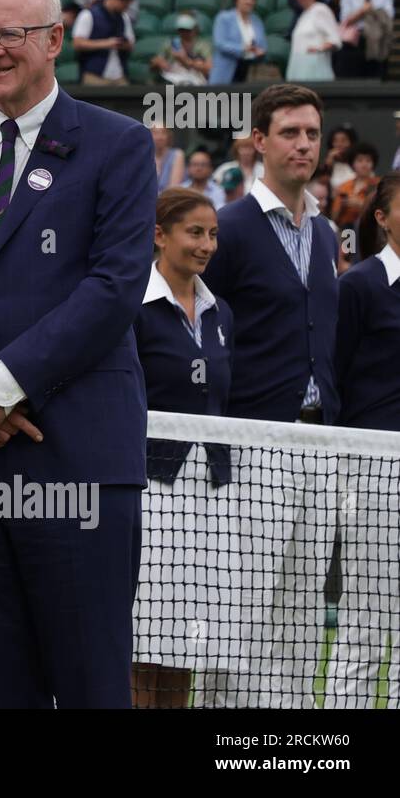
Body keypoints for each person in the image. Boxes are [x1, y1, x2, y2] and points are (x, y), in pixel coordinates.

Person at [0, 0, 156, 707]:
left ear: (55, 40)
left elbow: (114, 289)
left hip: (77, 466)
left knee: (92, 687)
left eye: (10, 35)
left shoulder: (119, 144)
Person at [202, 83, 340, 708]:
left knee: (304, 611)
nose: (304, 144)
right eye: (290, 132)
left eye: (312, 133)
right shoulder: (224, 231)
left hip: (323, 444)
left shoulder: (327, 232)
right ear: (258, 141)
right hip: (252, 444)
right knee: (242, 614)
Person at [130, 188, 234, 709]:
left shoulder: (221, 314)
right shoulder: (132, 306)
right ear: (159, 235)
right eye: (195, 232)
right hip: (148, 492)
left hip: (210, 499)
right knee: (142, 646)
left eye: (212, 234)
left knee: (184, 647)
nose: (207, 245)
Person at [326, 172, 400, 708]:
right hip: (373, 469)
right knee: (366, 619)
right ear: (381, 218)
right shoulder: (359, 286)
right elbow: (334, 374)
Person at [335, 0, 395, 78]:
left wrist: (371, 10)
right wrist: (362, 11)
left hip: (377, 40)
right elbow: (344, 18)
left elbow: (388, 16)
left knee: (375, 76)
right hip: (354, 41)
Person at [71, 0, 136, 85]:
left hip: (119, 75)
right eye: (125, 4)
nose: (126, 8)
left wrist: (123, 44)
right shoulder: (88, 15)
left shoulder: (124, 17)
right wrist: (107, 43)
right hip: (94, 75)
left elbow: (131, 45)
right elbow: (77, 43)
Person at [287, 0, 342, 80]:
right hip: (298, 75)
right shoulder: (303, 15)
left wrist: (319, 48)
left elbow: (335, 40)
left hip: (316, 76)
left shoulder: (321, 10)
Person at [211, 0, 268, 83]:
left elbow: (263, 45)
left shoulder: (257, 20)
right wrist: (243, 48)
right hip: (227, 70)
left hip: (249, 70)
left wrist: (260, 51)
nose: (249, 2)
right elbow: (220, 43)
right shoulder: (224, 18)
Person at [330, 142, 382, 233]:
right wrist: (342, 206)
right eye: (360, 160)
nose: (364, 164)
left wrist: (360, 204)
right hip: (347, 232)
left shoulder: (379, 184)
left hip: (371, 231)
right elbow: (334, 218)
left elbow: (383, 212)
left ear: (373, 163)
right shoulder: (344, 186)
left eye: (368, 160)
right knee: (347, 246)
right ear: (352, 163)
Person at [150, 13, 211, 84]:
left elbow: (209, 69)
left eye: (188, 30)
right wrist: (158, 63)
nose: (184, 33)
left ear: (195, 29)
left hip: (194, 80)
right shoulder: (171, 44)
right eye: (181, 30)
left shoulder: (203, 46)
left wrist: (187, 62)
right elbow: (153, 65)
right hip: (172, 78)